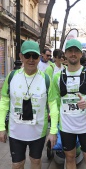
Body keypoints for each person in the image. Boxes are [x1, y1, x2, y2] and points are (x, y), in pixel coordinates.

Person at [0, 40, 59, 169]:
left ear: (39, 57)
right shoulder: (12, 76)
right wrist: (1, 127)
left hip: (38, 132)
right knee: (17, 164)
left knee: (36, 162)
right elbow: (4, 102)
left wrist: (53, 131)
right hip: (16, 131)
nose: (31, 59)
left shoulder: (46, 79)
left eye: (35, 56)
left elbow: (53, 105)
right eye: (27, 56)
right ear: (21, 57)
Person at [53, 39, 86, 169]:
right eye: (70, 51)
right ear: (65, 54)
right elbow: (54, 103)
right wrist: (53, 126)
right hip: (66, 127)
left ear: (80, 54)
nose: (73, 54)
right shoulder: (57, 77)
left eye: (76, 51)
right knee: (69, 158)